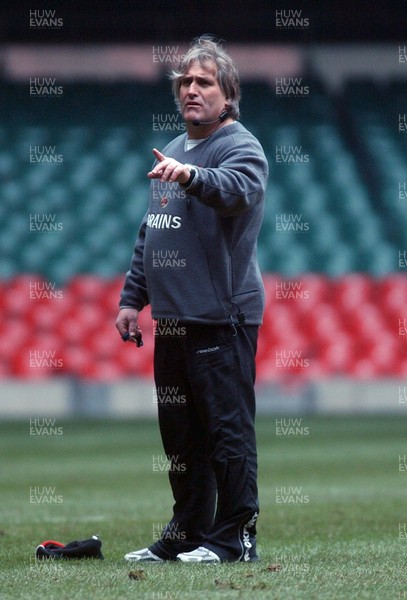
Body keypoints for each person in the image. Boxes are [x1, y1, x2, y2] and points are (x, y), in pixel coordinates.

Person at [115, 35, 268, 563]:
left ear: (228, 95)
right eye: (185, 82)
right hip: (175, 321)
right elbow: (151, 233)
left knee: (227, 434)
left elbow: (236, 190)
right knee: (180, 440)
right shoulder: (172, 150)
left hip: (221, 318)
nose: (191, 90)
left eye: (204, 82)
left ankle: (235, 538)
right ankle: (188, 533)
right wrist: (132, 299)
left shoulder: (239, 145)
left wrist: (193, 176)